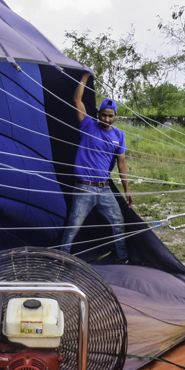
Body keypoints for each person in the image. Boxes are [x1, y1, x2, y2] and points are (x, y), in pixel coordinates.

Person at [59, 72, 132, 263]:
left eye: (110, 116)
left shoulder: (119, 136)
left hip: (105, 188)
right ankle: (62, 258)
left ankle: (122, 258)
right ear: (98, 113)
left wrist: (127, 190)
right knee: (73, 225)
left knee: (118, 222)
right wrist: (85, 77)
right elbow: (76, 100)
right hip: (84, 187)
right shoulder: (88, 125)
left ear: (115, 116)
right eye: (103, 115)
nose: (106, 119)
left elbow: (122, 163)